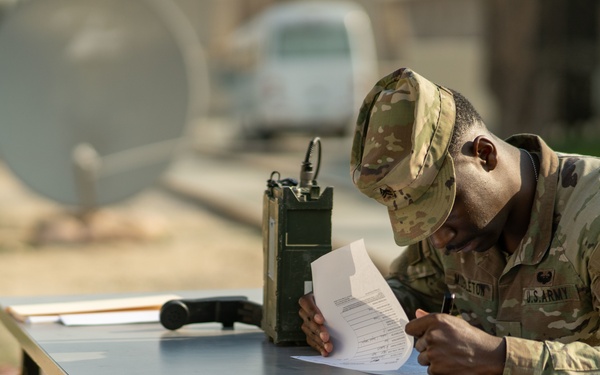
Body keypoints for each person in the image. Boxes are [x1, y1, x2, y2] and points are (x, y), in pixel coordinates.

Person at [298, 67, 600, 374]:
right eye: (423, 223)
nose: (439, 240)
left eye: (441, 211)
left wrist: (498, 357)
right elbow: (414, 290)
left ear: (484, 155)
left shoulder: (592, 214)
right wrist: (346, 317)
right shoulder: (457, 231)